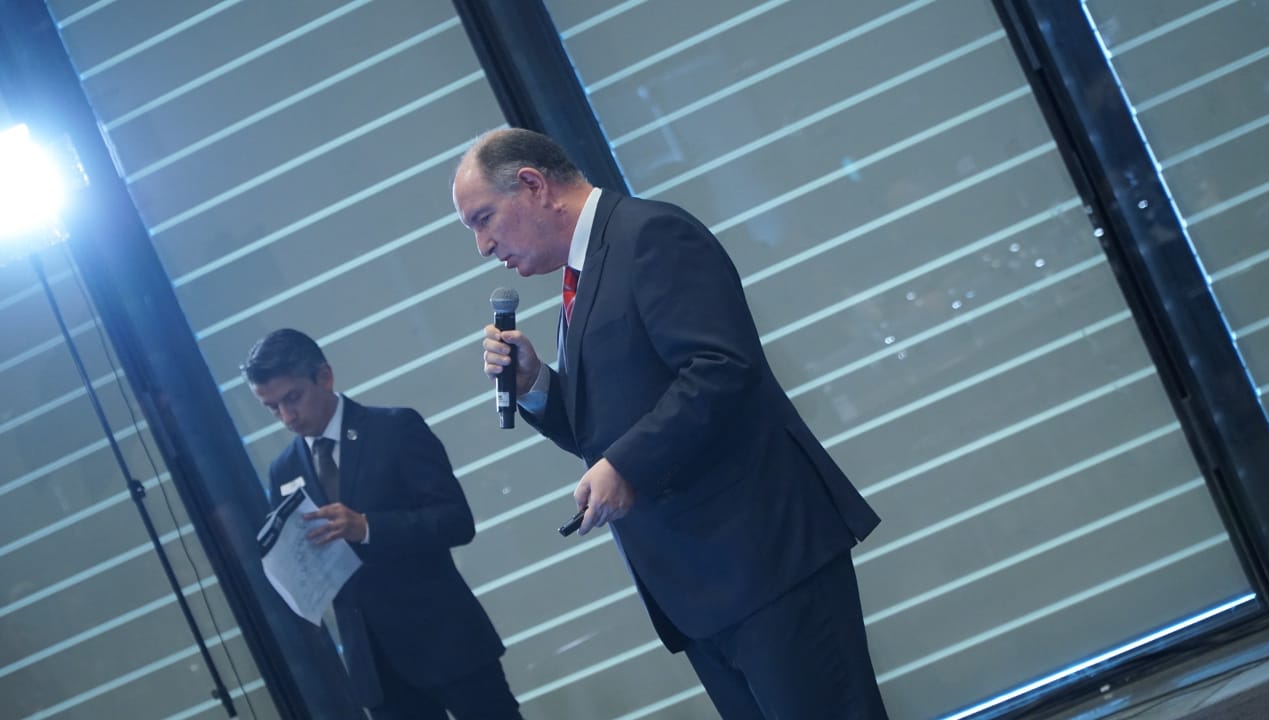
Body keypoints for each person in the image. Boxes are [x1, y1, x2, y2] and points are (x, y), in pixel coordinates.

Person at [455, 128, 888, 719]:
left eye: (483, 219)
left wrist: (625, 466)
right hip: (700, 584)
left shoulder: (649, 235)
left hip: (763, 558)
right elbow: (608, 425)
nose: (483, 246)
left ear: (533, 185)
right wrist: (535, 384)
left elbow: (720, 368)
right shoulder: (582, 273)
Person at [241, 329, 522, 720]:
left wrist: (368, 527)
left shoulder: (394, 429)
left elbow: (456, 521)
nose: (287, 417)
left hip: (446, 641)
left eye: (292, 398)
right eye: (272, 408)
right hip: (375, 668)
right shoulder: (283, 470)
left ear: (325, 376)